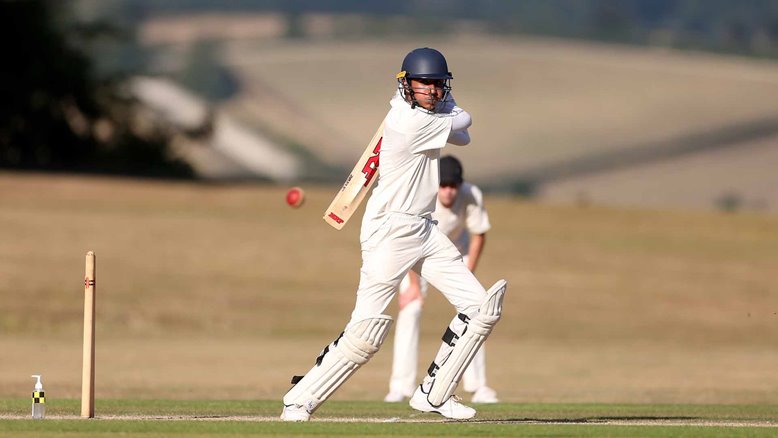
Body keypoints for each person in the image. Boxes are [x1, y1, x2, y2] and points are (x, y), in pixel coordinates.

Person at [281, 47, 507, 421]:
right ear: (406, 86)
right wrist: (450, 105)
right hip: (390, 231)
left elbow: (461, 137)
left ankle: (435, 394)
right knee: (366, 330)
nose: (433, 92)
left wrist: (443, 106)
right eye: (426, 85)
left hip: (423, 226)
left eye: (439, 85)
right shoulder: (407, 122)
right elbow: (465, 122)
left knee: (481, 308)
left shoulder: (426, 116)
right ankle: (300, 400)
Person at [384, 155, 498, 404]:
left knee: (477, 309)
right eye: (443, 186)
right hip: (420, 253)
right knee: (411, 309)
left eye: (453, 186)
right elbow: (412, 241)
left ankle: (478, 386)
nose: (448, 192)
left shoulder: (471, 194)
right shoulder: (423, 194)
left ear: (460, 185)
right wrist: (414, 286)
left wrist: (468, 273)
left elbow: (478, 235)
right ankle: (401, 386)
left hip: (458, 251)